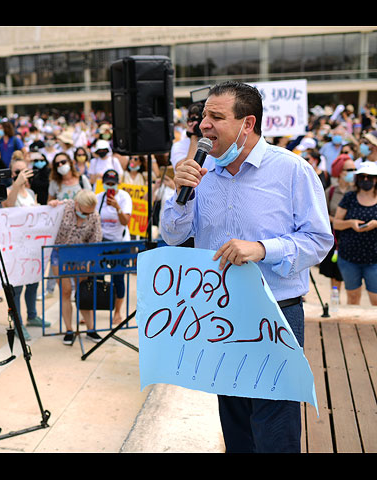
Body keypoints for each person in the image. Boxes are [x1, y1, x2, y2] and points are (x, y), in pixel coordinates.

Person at [161, 81, 333, 453]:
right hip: (220, 314)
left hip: (276, 315)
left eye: (216, 117)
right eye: (204, 115)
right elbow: (173, 237)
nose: (203, 125)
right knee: (234, 419)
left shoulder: (292, 171)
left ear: (247, 124)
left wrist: (262, 249)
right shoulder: (199, 174)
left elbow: (319, 241)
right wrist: (179, 196)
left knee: (275, 425)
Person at [50, 189, 103, 345]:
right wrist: (51, 205)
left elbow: (96, 239)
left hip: (81, 255)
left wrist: (90, 260)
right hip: (60, 253)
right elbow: (47, 216)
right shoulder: (64, 207)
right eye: (84, 212)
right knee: (65, 291)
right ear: (77, 204)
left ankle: (91, 329)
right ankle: (69, 330)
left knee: (83, 291)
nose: (87, 216)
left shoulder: (94, 215)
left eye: (90, 213)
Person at [1, 160, 45, 338]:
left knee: (33, 282)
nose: (20, 173)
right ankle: (18, 321)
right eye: (16, 171)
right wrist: (16, 185)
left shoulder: (32, 192)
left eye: (23, 170)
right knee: (17, 287)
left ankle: (32, 315)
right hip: (15, 244)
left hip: (32, 244)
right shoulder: (7, 191)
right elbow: (9, 207)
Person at [332, 161, 377, 306]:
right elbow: (336, 223)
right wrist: (351, 223)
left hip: (374, 259)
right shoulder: (350, 197)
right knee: (352, 298)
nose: (366, 180)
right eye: (362, 176)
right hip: (349, 257)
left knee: (375, 299)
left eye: (369, 177)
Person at [95, 170, 132, 325]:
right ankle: (93, 309)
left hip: (120, 242)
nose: (110, 186)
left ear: (118, 183)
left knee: (118, 277)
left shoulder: (124, 197)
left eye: (113, 183)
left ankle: (117, 312)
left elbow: (125, 221)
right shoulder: (98, 198)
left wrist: (117, 207)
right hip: (102, 243)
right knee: (97, 278)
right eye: (107, 183)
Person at [319, 154, 356, 295]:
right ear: (340, 172)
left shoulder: (357, 191)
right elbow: (322, 213)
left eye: (354, 169)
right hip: (335, 237)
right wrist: (338, 221)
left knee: (352, 276)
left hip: (353, 237)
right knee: (335, 274)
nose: (352, 173)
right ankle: (336, 299)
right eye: (348, 170)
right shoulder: (331, 191)